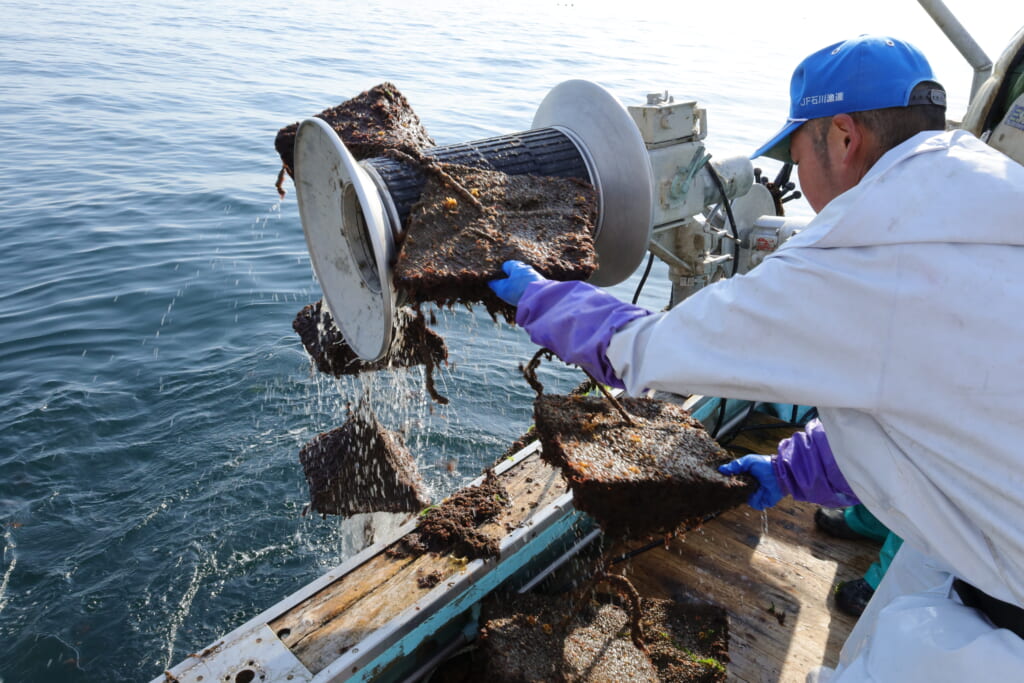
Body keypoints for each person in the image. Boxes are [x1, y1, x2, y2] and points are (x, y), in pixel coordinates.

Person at [490, 35, 1024, 680]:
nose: (797, 176)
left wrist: (540, 299)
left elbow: (646, 354)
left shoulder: (859, 258)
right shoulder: (994, 203)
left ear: (844, 137)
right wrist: (798, 468)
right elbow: (949, 405)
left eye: (796, 153)